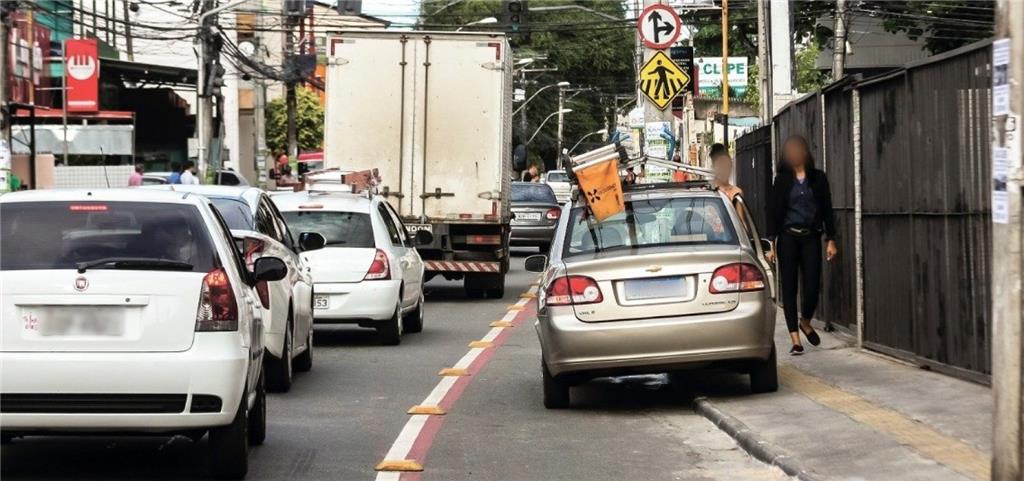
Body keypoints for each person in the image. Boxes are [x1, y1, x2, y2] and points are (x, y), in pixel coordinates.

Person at [766, 135, 838, 356]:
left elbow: (827, 208)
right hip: (788, 237)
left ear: (805, 152)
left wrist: (831, 239)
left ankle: (805, 321)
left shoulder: (818, 179)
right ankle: (795, 340)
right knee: (789, 288)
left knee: (812, 286)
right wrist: (772, 243)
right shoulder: (782, 180)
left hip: (810, 237)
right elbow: (774, 212)